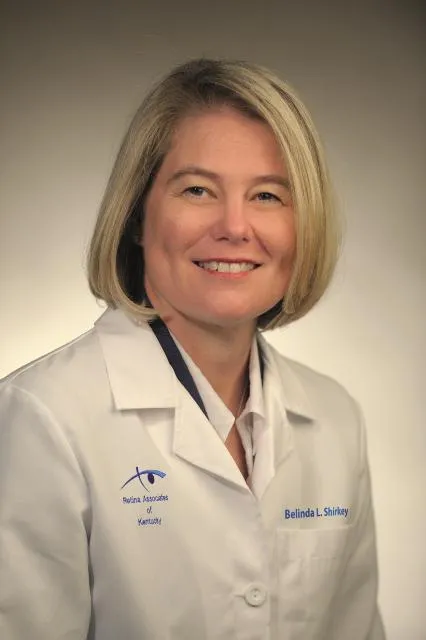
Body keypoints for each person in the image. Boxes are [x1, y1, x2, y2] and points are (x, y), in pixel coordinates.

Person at [0, 58, 385, 639]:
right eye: (198, 190)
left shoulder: (334, 420)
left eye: (267, 196)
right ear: (136, 215)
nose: (235, 227)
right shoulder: (42, 417)